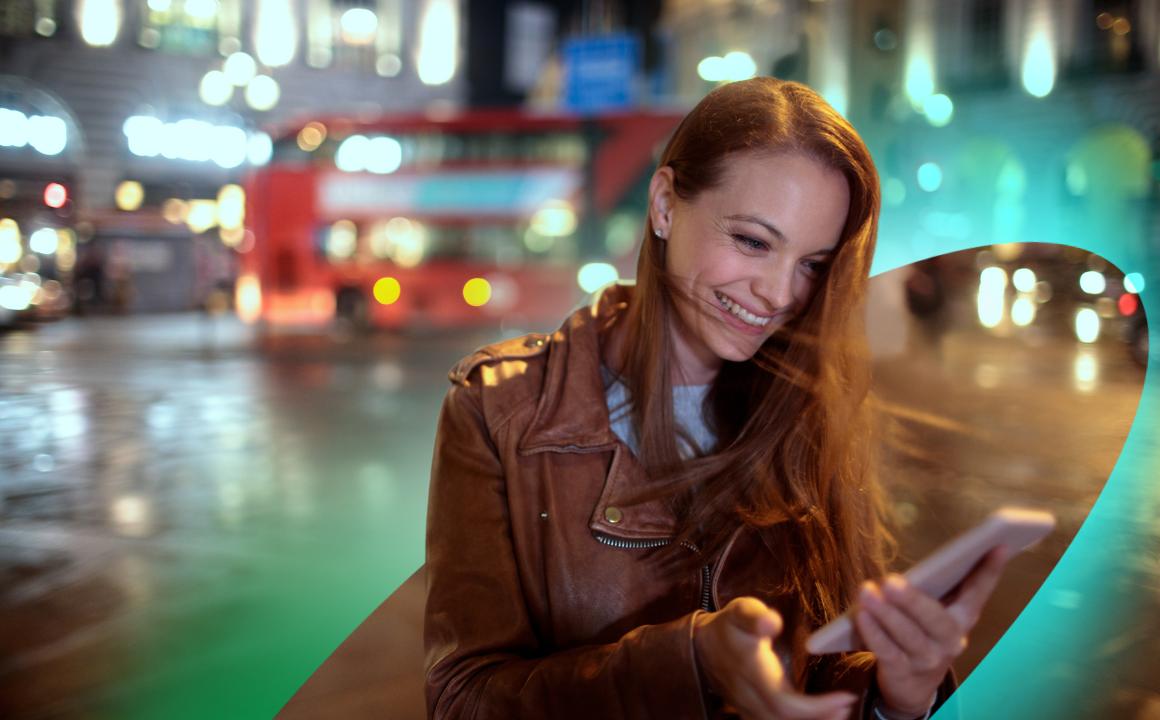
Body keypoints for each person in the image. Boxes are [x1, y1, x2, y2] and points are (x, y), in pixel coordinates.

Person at [423, 77, 1010, 720]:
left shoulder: (809, 404)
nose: (781, 294)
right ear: (666, 205)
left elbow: (821, 663)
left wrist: (897, 696)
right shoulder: (500, 410)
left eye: (813, 264)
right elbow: (462, 699)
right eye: (754, 242)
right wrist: (689, 664)